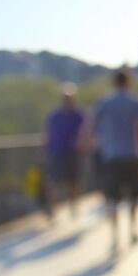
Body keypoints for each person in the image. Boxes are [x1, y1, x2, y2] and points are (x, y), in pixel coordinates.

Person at [89, 69, 138, 248]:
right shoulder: (135, 101)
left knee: (112, 197)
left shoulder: (104, 102)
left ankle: (115, 235)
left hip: (110, 155)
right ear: (129, 81)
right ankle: (133, 230)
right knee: (134, 195)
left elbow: (91, 127)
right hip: (132, 154)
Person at [44, 84, 84, 218]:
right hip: (56, 152)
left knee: (73, 182)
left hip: (72, 152)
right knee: (53, 181)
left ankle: (74, 207)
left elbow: (85, 132)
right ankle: (52, 209)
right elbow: (49, 134)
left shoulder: (78, 115)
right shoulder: (54, 115)